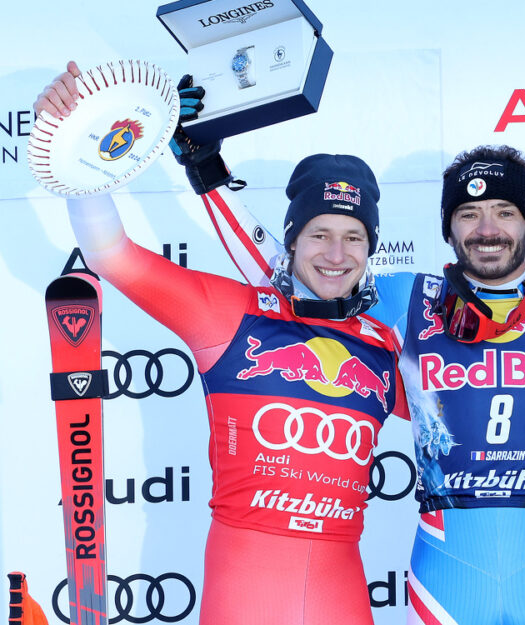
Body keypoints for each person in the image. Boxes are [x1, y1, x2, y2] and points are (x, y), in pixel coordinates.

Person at [34, 63, 407, 625]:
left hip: (342, 590)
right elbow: (110, 254)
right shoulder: (231, 315)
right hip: (246, 586)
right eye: (319, 234)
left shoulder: (384, 346)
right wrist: (75, 139)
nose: (336, 253)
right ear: (292, 242)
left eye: (353, 236)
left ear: (369, 248)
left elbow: (470, 407)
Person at [198, 143, 525, 623]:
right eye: (468, 213)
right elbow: (289, 273)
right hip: (447, 576)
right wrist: (208, 175)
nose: (487, 229)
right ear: (449, 228)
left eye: (504, 211)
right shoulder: (411, 300)